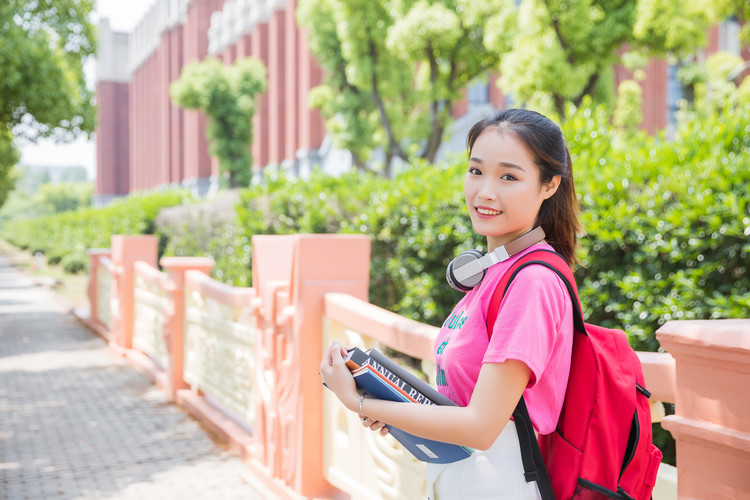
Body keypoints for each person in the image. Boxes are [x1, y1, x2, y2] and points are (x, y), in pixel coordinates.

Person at [320, 108, 581, 499]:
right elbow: (463, 401)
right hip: (462, 479)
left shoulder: (533, 282)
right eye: (476, 171)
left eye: (508, 176)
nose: (485, 191)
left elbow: (480, 426)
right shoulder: (493, 273)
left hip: (499, 482)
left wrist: (356, 402)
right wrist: (390, 406)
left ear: (549, 185)